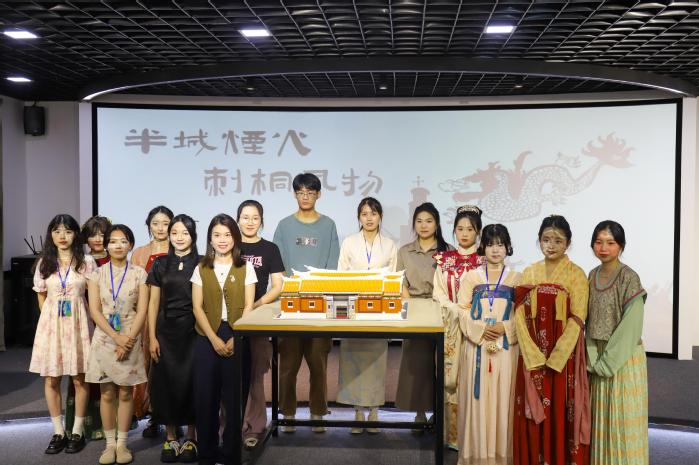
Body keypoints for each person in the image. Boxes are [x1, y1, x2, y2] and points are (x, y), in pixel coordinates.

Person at [513, 215, 590, 465]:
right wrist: (532, 353)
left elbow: (578, 317)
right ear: (539, 241)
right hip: (533, 352)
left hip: (563, 357)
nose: (551, 245)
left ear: (568, 243)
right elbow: (519, 313)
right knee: (532, 408)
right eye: (546, 239)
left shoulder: (576, 274)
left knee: (560, 408)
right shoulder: (529, 271)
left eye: (558, 240)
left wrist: (557, 356)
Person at [273, 173, 340, 433]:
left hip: (320, 307)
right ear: (295, 194)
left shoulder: (329, 225)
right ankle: (288, 413)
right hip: (290, 305)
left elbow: (332, 266)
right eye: (301, 192)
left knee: (318, 364)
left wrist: (317, 292)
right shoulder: (284, 226)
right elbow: (278, 266)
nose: (305, 197)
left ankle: (318, 413)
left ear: (318, 195)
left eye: (310, 192)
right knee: (288, 366)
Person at [191, 214, 257, 465]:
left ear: (235, 238)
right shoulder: (201, 268)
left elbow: (249, 305)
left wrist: (236, 337)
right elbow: (197, 307)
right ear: (210, 239)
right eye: (217, 235)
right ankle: (207, 453)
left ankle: (230, 453)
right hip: (206, 337)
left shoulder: (246, 267)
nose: (222, 240)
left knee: (234, 399)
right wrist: (213, 338)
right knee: (206, 398)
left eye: (227, 235)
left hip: (236, 335)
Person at [30, 214, 97, 455]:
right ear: (51, 234)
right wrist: (50, 321)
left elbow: (94, 296)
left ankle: (77, 431)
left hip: (79, 325)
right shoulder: (44, 263)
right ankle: (58, 431)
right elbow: (41, 296)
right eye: (57, 231)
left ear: (75, 235)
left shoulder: (87, 261)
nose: (62, 236)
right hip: (52, 327)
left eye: (68, 231)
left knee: (79, 378)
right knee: (52, 379)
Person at [456, 224, 520, 464]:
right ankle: (476, 456)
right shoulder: (471, 277)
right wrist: (481, 329)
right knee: (478, 401)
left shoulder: (517, 279)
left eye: (500, 244)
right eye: (491, 244)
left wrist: (506, 327)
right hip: (477, 347)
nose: (495, 250)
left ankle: (502, 457)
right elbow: (461, 310)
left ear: (508, 247)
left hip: (506, 348)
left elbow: (524, 314)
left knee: (504, 401)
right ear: (483, 246)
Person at [86, 224, 149, 465]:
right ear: (107, 245)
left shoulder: (139, 274)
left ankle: (122, 445)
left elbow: (142, 310)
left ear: (130, 244)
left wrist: (128, 340)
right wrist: (116, 337)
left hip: (131, 336)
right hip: (104, 339)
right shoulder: (96, 275)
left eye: (123, 241)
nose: (118, 245)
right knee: (106, 393)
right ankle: (109, 445)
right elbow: (95, 310)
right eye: (113, 241)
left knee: (125, 392)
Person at [587, 221, 648, 465]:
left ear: (621, 246)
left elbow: (631, 327)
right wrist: (593, 357)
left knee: (621, 423)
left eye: (610, 243)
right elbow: (588, 319)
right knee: (601, 422)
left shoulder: (629, 277)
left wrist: (606, 363)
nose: (604, 248)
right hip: (597, 358)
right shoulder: (591, 275)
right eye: (598, 242)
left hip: (622, 360)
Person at [336, 197, 397, 434]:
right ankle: (357, 411)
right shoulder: (349, 242)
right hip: (353, 309)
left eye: (373, 213)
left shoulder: (390, 245)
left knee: (376, 362)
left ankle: (374, 410)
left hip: (379, 310)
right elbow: (341, 275)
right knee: (353, 360)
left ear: (380, 216)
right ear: (358, 217)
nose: (369, 218)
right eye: (364, 214)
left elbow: (394, 278)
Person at [395, 202, 453, 428]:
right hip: (415, 311)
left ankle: (442, 414)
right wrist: (411, 307)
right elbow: (400, 283)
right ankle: (419, 414)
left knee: (445, 365)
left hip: (442, 310)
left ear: (437, 224)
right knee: (418, 365)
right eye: (419, 221)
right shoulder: (405, 251)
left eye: (429, 221)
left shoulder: (448, 251)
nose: (424, 225)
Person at [147, 214, 200, 463]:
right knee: (165, 383)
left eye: (185, 233)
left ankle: (191, 437)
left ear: (193, 236)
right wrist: (152, 336)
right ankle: (170, 437)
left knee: (192, 382)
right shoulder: (160, 263)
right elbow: (153, 303)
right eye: (175, 233)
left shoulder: (202, 263)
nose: (179, 237)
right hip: (165, 332)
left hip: (193, 331)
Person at [432, 205, 484, 448]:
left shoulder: (484, 260)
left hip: (476, 326)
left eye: (470, 229)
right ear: (453, 231)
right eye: (460, 229)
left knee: (472, 377)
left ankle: (472, 435)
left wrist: (470, 315)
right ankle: (450, 435)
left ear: (478, 232)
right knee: (449, 380)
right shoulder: (444, 260)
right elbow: (438, 292)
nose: (464, 233)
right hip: (450, 325)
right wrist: (454, 309)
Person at [237, 200, 285, 448]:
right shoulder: (229, 244)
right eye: (245, 217)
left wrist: (256, 305)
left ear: (262, 221)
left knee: (256, 375)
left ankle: (255, 427)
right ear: (238, 220)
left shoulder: (270, 249)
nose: (250, 222)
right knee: (231, 375)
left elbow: (278, 285)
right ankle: (230, 426)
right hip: (229, 320)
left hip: (256, 319)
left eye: (255, 218)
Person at [62, 215, 113, 442]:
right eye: (93, 235)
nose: (98, 239)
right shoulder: (80, 261)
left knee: (110, 372)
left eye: (103, 234)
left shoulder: (117, 259)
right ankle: (81, 426)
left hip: (112, 323)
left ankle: (112, 425)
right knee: (83, 371)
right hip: (85, 322)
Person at [131, 205, 173, 436]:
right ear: (149, 226)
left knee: (169, 367)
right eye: (155, 223)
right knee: (147, 366)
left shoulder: (178, 251)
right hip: (144, 317)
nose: (160, 228)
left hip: (171, 316)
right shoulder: (139, 253)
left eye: (165, 223)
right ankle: (153, 415)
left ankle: (173, 417)